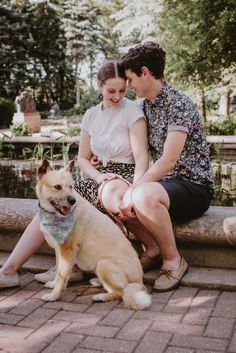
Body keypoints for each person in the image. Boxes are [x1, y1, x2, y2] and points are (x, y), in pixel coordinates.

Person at [0, 60, 149, 289]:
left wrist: (136, 187)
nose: (118, 96)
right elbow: (82, 158)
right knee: (53, 203)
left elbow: (141, 158)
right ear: (99, 86)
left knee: (76, 199)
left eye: (122, 90)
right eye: (111, 91)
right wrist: (98, 177)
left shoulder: (133, 111)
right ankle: (11, 270)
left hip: (123, 177)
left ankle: (69, 267)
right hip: (98, 176)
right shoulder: (90, 115)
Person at [115, 41, 214, 291]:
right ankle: (153, 248)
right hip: (165, 186)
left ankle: (174, 260)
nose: (129, 86)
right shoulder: (144, 108)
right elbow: (134, 149)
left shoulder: (178, 104)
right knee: (117, 193)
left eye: (130, 78)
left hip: (194, 186)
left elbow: (169, 160)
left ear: (145, 72)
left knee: (142, 194)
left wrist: (134, 190)